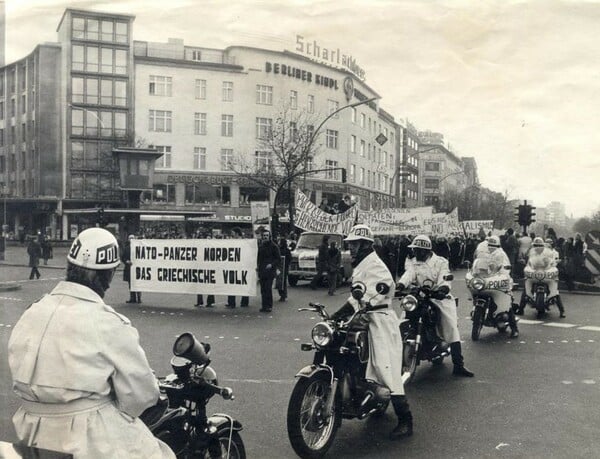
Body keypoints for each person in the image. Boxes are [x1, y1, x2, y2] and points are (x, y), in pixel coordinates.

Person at [8, 227, 174, 459]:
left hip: (30, 432)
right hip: (87, 437)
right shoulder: (109, 323)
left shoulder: (31, 312)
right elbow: (141, 395)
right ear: (103, 275)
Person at [330, 224, 413, 440]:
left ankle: (406, 420)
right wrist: (336, 315)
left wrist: (362, 303)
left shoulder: (375, 265)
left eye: (356, 244)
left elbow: (375, 292)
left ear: (367, 245)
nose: (352, 249)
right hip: (364, 316)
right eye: (350, 245)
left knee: (386, 367)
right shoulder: (362, 265)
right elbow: (356, 298)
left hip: (379, 319)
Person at [398, 234, 474, 378]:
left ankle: (459, 364)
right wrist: (401, 284)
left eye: (418, 250)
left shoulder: (440, 262)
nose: (415, 252)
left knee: (450, 325)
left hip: (438, 298)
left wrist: (443, 289)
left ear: (426, 251)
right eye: (414, 249)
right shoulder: (413, 262)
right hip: (419, 296)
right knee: (403, 317)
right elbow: (409, 274)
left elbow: (445, 277)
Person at [477, 235, 519, 337]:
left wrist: (501, 275)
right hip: (487, 280)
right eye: (490, 245)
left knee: (507, 304)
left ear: (498, 245)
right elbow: (480, 265)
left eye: (493, 245)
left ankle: (514, 329)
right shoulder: (485, 254)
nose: (491, 247)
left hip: (500, 281)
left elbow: (505, 269)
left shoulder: (501, 255)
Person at [517, 237, 565, 318]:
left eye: (539, 245)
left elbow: (553, 262)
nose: (538, 247)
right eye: (536, 245)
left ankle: (562, 311)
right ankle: (521, 309)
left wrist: (554, 264)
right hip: (534, 273)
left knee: (555, 291)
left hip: (546, 273)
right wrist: (525, 264)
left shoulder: (551, 253)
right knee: (525, 290)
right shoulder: (531, 252)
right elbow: (528, 261)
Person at [257, 229, 281, 313]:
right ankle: (264, 306)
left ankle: (269, 306)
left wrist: (272, 264)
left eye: (266, 236)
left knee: (268, 288)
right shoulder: (261, 246)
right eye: (264, 236)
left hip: (270, 271)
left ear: (269, 237)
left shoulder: (274, 246)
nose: (265, 237)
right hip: (262, 270)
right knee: (263, 289)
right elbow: (258, 258)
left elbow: (278, 259)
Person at [227, 228, 250, 308]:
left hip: (241, 266)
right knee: (232, 284)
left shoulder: (243, 242)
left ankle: (241, 302)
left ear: (237, 234)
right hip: (234, 266)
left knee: (241, 283)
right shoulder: (234, 242)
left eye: (233, 234)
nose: (231, 236)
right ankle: (232, 302)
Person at [122, 234, 142, 304]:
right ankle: (132, 298)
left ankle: (139, 298)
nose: (131, 239)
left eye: (132, 238)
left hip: (137, 268)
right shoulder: (126, 248)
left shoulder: (138, 247)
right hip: (129, 268)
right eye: (130, 238)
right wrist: (126, 261)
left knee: (138, 283)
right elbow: (123, 257)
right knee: (131, 284)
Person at [277, 235, 292, 302]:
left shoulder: (280, 249)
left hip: (282, 268)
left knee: (281, 282)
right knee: (282, 282)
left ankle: (282, 295)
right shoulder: (286, 250)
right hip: (283, 268)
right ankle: (283, 294)